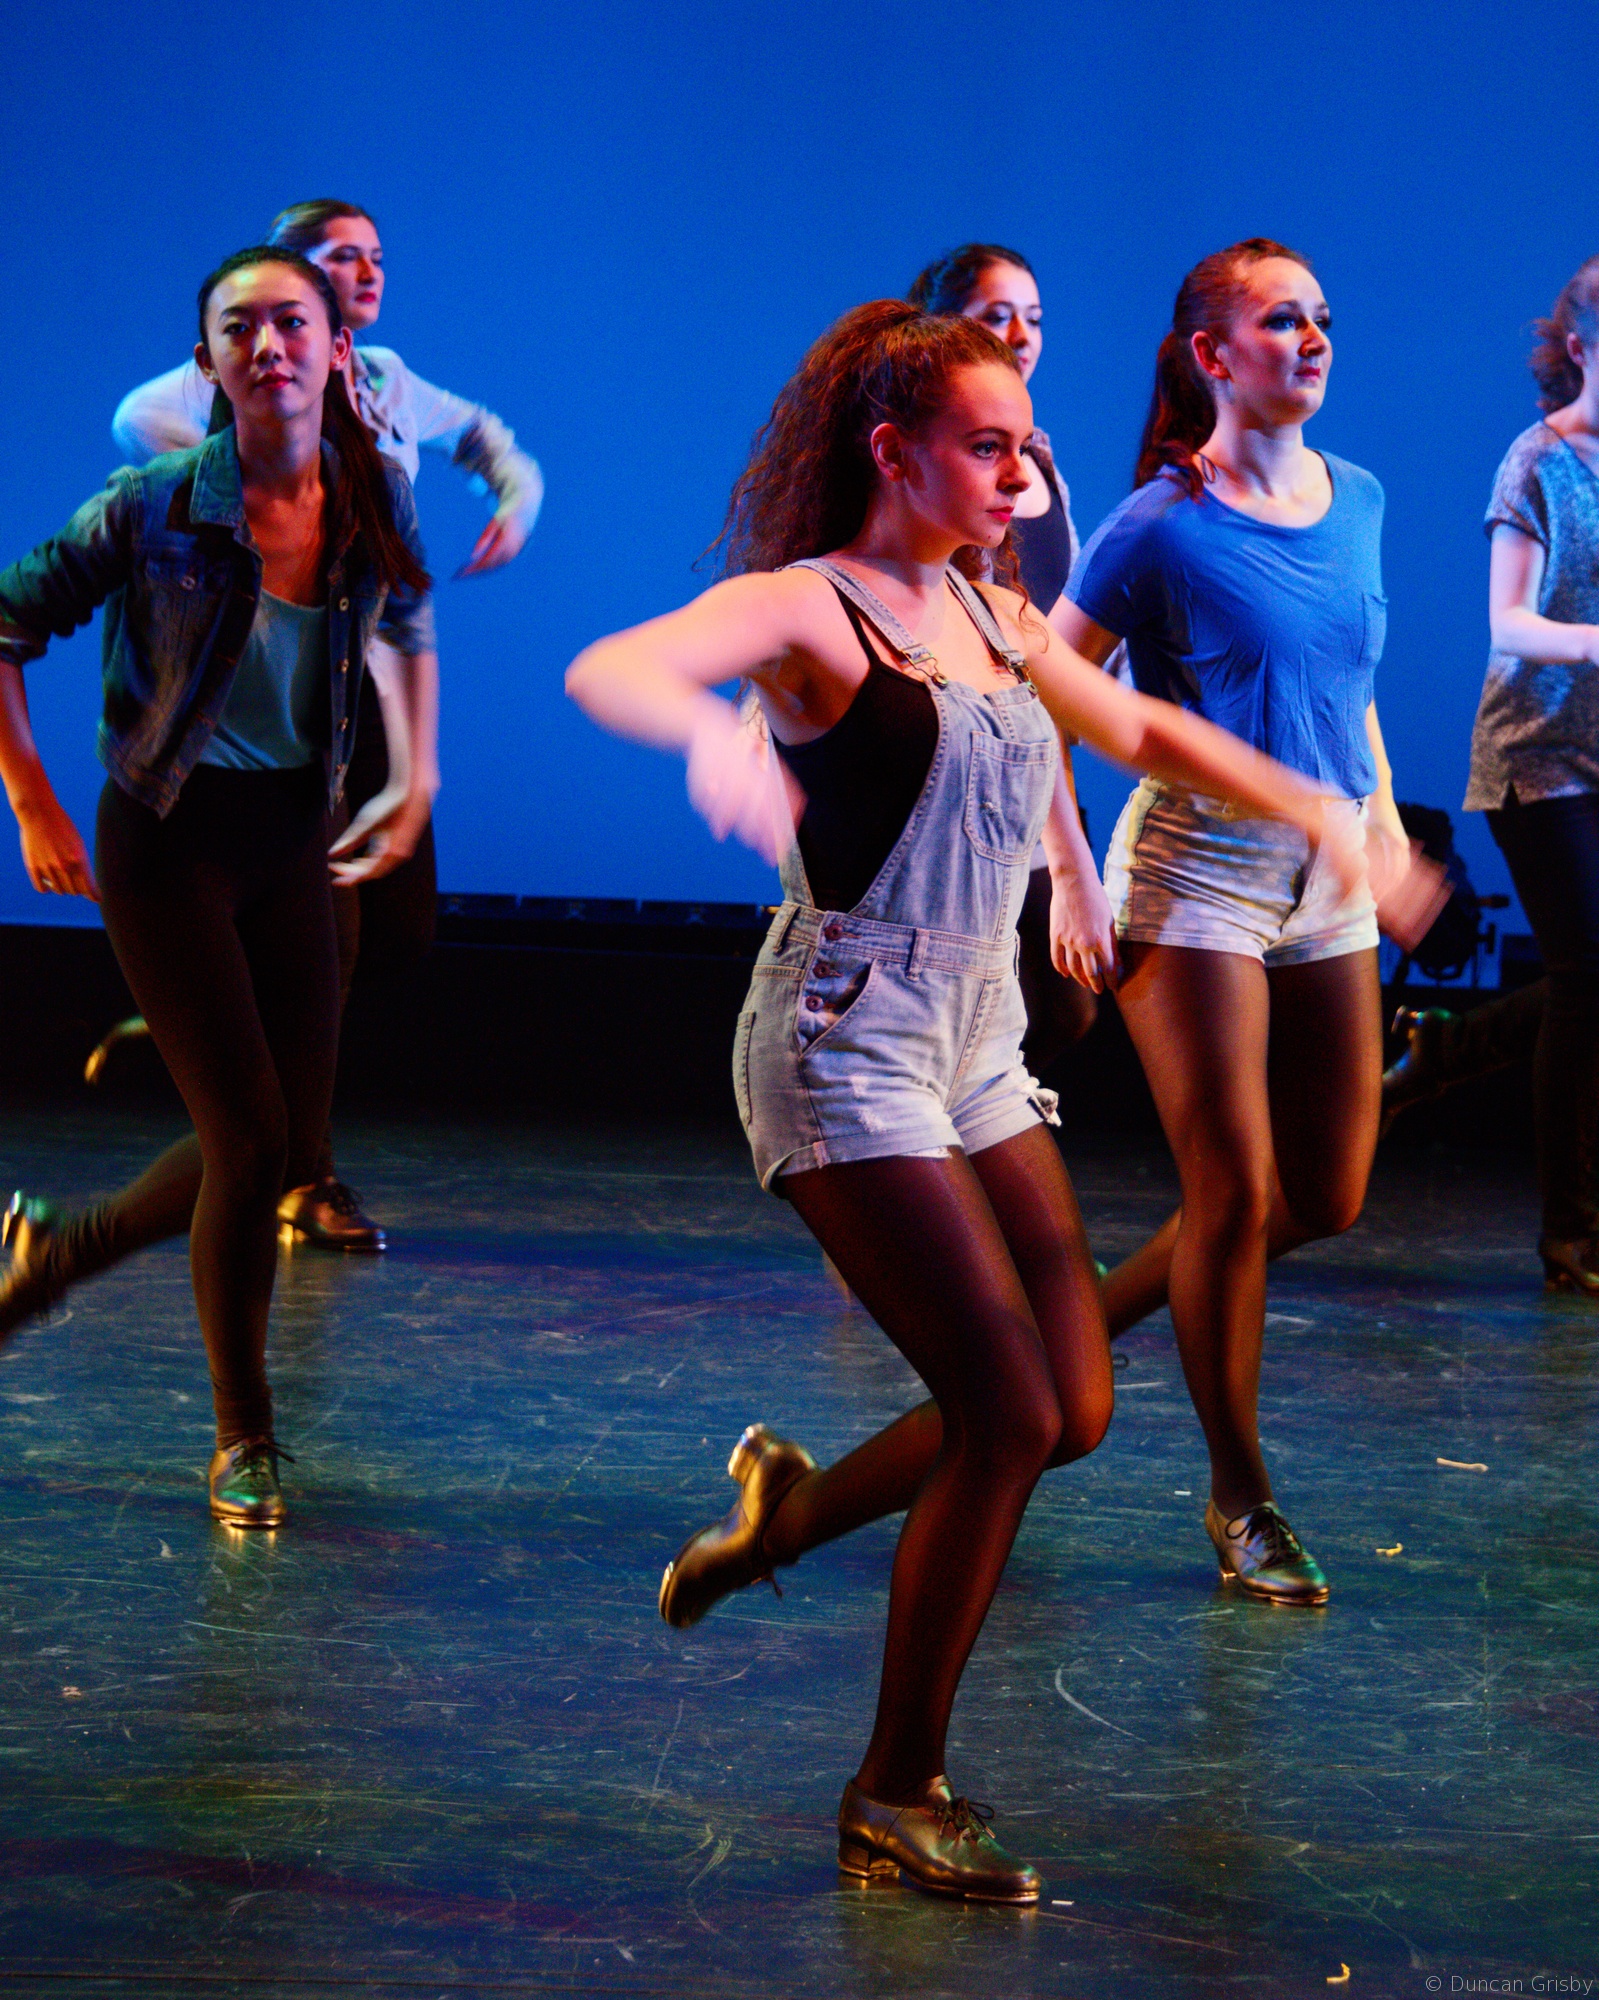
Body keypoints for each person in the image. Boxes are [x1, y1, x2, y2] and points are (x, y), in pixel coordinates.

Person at [565, 299, 1363, 1900]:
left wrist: (1324, 814)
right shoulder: (813, 608)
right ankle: (894, 1786)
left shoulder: (993, 617)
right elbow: (618, 664)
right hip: (844, 1038)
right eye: (988, 450)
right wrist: (711, 744)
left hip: (977, 1041)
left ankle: (790, 1516)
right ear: (893, 454)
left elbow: (1139, 726)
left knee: (1071, 1407)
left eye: (1027, 451)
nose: (1020, 478)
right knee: (1004, 1413)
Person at [0, 246, 435, 1527]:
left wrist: (413, 779)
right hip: (168, 842)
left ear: (338, 352)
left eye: (291, 323)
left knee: (286, 1145)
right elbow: (6, 621)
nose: (268, 346)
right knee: (248, 1146)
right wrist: (31, 800)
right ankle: (244, 1434)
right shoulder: (152, 505)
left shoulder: (374, 497)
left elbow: (406, 623)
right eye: (238, 328)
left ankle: (55, 1250)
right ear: (208, 363)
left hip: (297, 839)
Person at [1049, 239, 1429, 1608]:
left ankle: (1084, 1312)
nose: (1312, 337)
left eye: (1320, 316)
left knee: (1321, 1197)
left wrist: (1383, 823)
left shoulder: (1359, 495)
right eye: (1280, 320)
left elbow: (1346, 685)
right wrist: (1069, 875)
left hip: (1330, 868)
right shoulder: (1156, 524)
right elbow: (1044, 694)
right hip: (1195, 874)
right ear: (1211, 355)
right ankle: (1239, 1496)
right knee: (1229, 1189)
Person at [113, 199, 542, 1251]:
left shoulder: (384, 377)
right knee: (332, 934)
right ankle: (303, 1172)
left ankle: (218, 1020)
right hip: (276, 698)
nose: (369, 272)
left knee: (401, 931)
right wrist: (259, 461)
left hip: (369, 685)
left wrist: (514, 497)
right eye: (342, 257)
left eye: (376, 257)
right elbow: (147, 436)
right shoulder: (200, 393)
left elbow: (484, 438)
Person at [910, 243, 1096, 1075]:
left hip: (1039, 764)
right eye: (996, 316)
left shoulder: (1039, 461)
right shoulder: (937, 469)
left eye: (1034, 318)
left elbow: (1060, 627)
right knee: (988, 1014)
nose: (1021, 335)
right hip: (965, 776)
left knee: (1056, 1010)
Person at [1458, 254, 1599, 1291]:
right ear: (1581, 348)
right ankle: (1570, 1234)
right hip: (1539, 754)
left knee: (1587, 980)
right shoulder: (1537, 461)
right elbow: (1507, 621)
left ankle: (1443, 1052)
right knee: (1588, 977)